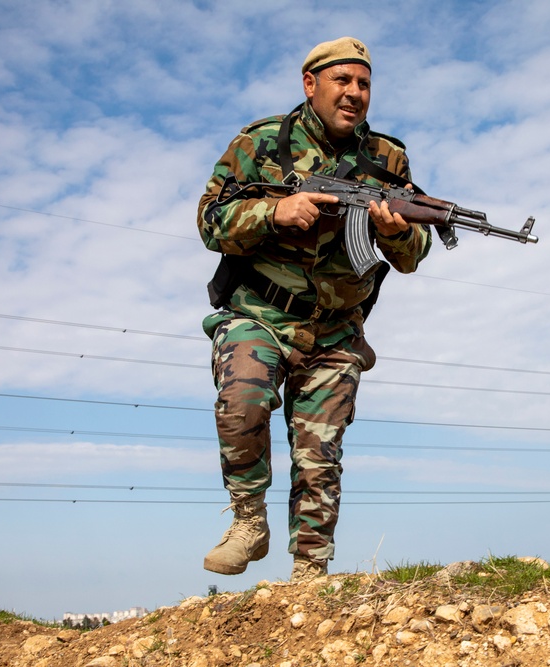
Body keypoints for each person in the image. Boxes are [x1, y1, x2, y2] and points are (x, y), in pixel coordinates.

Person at [196, 37, 432, 582]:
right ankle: (249, 522)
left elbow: (414, 253)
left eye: (364, 83)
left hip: (336, 330)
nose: (354, 93)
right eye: (342, 81)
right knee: (243, 401)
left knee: (319, 453)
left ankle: (310, 575)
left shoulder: (388, 159)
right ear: (311, 84)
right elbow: (210, 221)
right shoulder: (261, 143)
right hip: (259, 312)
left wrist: (394, 235)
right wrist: (276, 212)